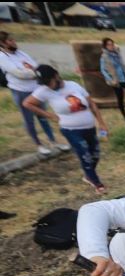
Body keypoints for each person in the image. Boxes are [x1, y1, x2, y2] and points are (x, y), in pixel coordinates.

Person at [23, 65, 109, 194]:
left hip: (89, 127)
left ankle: (88, 175)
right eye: (44, 83)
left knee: (95, 154)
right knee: (84, 153)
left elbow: (91, 103)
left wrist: (101, 123)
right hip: (70, 129)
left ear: (56, 76)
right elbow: (27, 103)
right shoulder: (43, 91)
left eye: (49, 81)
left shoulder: (73, 85)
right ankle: (97, 183)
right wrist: (49, 115)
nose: (47, 85)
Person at [0, 31, 68, 155]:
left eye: (13, 39)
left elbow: (36, 67)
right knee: (29, 119)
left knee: (43, 116)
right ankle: (38, 144)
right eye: (10, 40)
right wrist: (35, 73)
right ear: (2, 43)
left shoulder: (21, 53)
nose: (14, 42)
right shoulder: (3, 57)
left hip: (35, 89)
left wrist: (34, 72)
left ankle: (53, 141)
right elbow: (19, 74)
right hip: (20, 91)